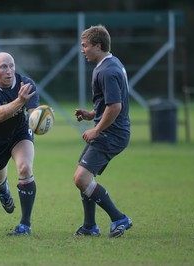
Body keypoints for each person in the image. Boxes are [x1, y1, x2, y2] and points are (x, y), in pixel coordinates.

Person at [73, 25, 132, 238]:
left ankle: (119, 218)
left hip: (111, 134)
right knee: (84, 176)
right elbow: (108, 103)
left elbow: (115, 107)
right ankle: (90, 227)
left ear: (98, 46)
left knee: (82, 178)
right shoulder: (108, 64)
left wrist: (97, 129)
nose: (82, 50)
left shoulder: (108, 70)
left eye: (85, 46)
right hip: (110, 130)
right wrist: (91, 114)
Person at [0, 52, 39, 235]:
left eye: (11, 65)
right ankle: (3, 189)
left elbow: (34, 112)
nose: (9, 71)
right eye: (3, 67)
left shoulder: (25, 84)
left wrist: (40, 120)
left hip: (19, 133)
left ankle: (25, 225)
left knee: (25, 168)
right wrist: (20, 101)